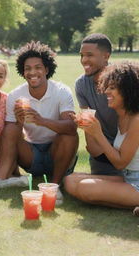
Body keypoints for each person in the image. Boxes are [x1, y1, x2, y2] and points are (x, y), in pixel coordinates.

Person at [0, 41, 78, 200]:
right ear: (23, 72)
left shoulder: (61, 91)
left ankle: (54, 186)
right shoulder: (16, 95)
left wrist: (41, 120)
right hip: (32, 156)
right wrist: (19, 122)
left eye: (38, 67)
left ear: (46, 69)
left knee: (68, 135)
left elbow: (72, 127)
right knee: (10, 128)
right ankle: (0, 179)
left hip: (58, 155)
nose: (33, 72)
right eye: (28, 68)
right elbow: (10, 137)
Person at [65, 61, 139, 216]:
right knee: (70, 181)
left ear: (127, 90)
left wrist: (98, 133)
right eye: (107, 87)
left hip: (136, 183)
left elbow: (120, 163)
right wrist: (88, 129)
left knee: (86, 187)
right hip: (126, 178)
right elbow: (96, 151)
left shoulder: (136, 120)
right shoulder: (122, 116)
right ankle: (131, 205)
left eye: (112, 87)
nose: (106, 91)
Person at [72, 33, 121, 176]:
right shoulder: (81, 84)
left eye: (89, 55)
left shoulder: (123, 80)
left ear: (106, 56)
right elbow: (92, 144)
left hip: (129, 150)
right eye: (82, 55)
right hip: (100, 154)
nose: (84, 60)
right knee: (73, 184)